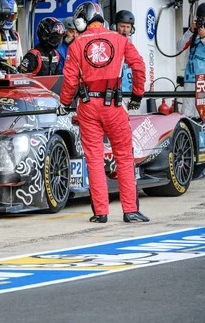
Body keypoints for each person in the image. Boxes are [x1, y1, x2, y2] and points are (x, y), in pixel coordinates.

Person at [58, 2, 149, 223]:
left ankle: (100, 213)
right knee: (124, 157)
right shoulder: (120, 39)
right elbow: (138, 66)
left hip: (88, 106)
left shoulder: (76, 44)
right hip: (114, 106)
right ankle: (130, 210)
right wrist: (136, 96)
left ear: (81, 21)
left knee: (94, 158)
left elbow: (70, 80)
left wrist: (65, 102)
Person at [177, 3, 205, 120]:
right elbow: (178, 47)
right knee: (187, 114)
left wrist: (204, 37)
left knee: (203, 114)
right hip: (190, 79)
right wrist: (190, 30)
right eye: (201, 20)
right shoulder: (193, 34)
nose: (203, 23)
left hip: (203, 80)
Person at [113, 10, 135, 93]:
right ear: (115, 27)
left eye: (128, 27)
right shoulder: (110, 45)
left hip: (128, 89)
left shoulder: (131, 46)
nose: (125, 30)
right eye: (122, 26)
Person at [0, 0, 23, 72]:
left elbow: (19, 58)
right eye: (7, 17)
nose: (9, 20)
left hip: (12, 74)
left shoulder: (16, 35)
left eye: (12, 17)